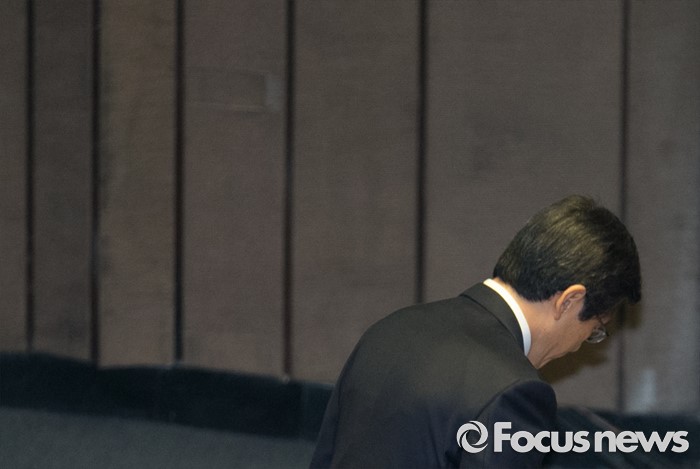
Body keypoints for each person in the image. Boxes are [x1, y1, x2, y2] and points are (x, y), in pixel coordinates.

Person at [309, 195, 642, 468]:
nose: (579, 346)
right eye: (594, 330)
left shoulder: (390, 329)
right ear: (569, 300)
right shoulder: (514, 392)